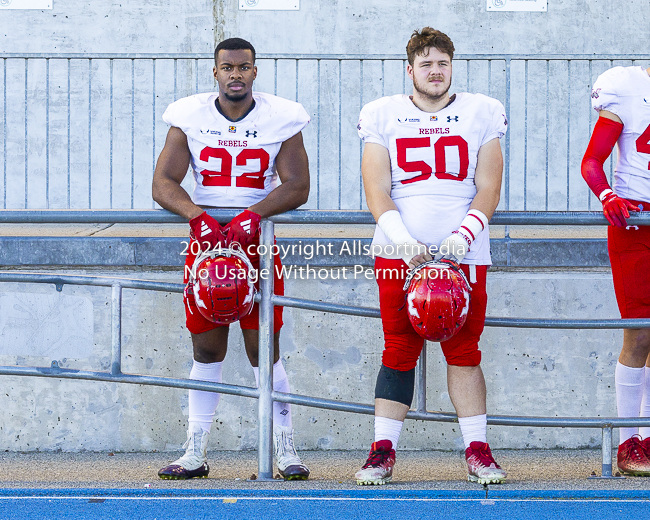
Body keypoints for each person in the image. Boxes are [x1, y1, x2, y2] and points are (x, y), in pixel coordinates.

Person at [152, 37, 311, 480]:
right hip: (206, 242)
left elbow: (298, 185)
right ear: (215, 72)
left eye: (243, 67)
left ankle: (284, 449)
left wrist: (252, 214)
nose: (235, 74)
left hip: (257, 241)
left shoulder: (281, 116)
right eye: (227, 68)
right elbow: (163, 182)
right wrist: (197, 216)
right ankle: (195, 451)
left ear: (255, 71)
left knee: (265, 348)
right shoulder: (189, 115)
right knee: (206, 347)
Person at [355, 27, 508, 485]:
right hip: (398, 254)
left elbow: (489, 186)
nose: (435, 71)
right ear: (410, 70)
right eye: (426, 64)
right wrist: (403, 240)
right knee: (398, 347)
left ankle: (478, 451)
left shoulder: (482, 111)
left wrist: (465, 234)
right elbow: (376, 187)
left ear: (452, 67)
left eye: (442, 63)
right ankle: (383, 451)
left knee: (464, 352)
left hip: (465, 253)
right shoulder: (382, 113)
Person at [582, 64, 650, 476]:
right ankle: (628, 441)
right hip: (636, 222)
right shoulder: (628, 87)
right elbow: (592, 161)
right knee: (640, 333)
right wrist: (606, 194)